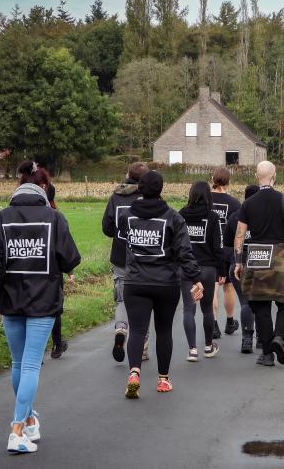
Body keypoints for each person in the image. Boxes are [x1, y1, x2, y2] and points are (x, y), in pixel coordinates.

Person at [0, 161, 81, 453]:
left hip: (9, 301)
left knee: (18, 363)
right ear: (43, 188)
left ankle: (30, 420)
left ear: (18, 187)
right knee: (31, 364)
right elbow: (70, 258)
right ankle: (17, 430)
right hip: (43, 302)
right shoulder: (54, 218)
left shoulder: (0, 219)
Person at [118, 171, 203, 398]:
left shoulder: (127, 216)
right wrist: (196, 278)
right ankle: (163, 380)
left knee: (137, 330)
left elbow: (118, 236)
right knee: (164, 330)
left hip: (135, 282)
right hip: (166, 283)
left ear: (140, 189)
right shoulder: (173, 217)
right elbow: (184, 252)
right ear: (161, 189)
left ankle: (134, 373)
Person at [234, 161, 284, 367]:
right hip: (280, 254)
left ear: (257, 176)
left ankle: (267, 354)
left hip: (257, 255)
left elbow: (239, 235)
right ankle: (279, 337)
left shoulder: (248, 203)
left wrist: (238, 262)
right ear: (275, 176)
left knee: (260, 304)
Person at [102, 162, 151, 363]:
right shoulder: (149, 197)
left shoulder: (116, 197)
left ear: (127, 174)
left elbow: (106, 228)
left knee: (122, 298)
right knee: (143, 301)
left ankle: (121, 329)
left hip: (120, 256)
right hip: (144, 257)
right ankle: (143, 348)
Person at [179, 181, 226, 362]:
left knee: (188, 309)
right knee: (207, 309)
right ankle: (208, 346)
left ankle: (192, 350)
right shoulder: (213, 217)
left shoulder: (181, 215)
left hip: (186, 268)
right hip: (208, 268)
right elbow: (218, 247)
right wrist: (222, 270)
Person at [28, 165, 68, 359]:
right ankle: (56, 345)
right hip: (51, 269)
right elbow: (65, 248)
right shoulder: (55, 216)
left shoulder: (18, 213)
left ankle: (36, 350)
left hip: (25, 268)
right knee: (53, 308)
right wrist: (69, 268)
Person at [224, 184, 260, 353]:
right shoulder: (263, 214)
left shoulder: (234, 217)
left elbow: (226, 244)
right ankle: (261, 337)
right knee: (262, 301)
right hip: (261, 261)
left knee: (246, 301)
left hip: (238, 262)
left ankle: (247, 338)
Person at [210, 168, 241, 338]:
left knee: (212, 288)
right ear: (228, 182)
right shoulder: (234, 203)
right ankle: (230, 322)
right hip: (228, 249)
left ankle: (213, 325)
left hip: (209, 249)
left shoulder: (204, 199)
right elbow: (239, 229)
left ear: (212, 179)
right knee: (228, 286)